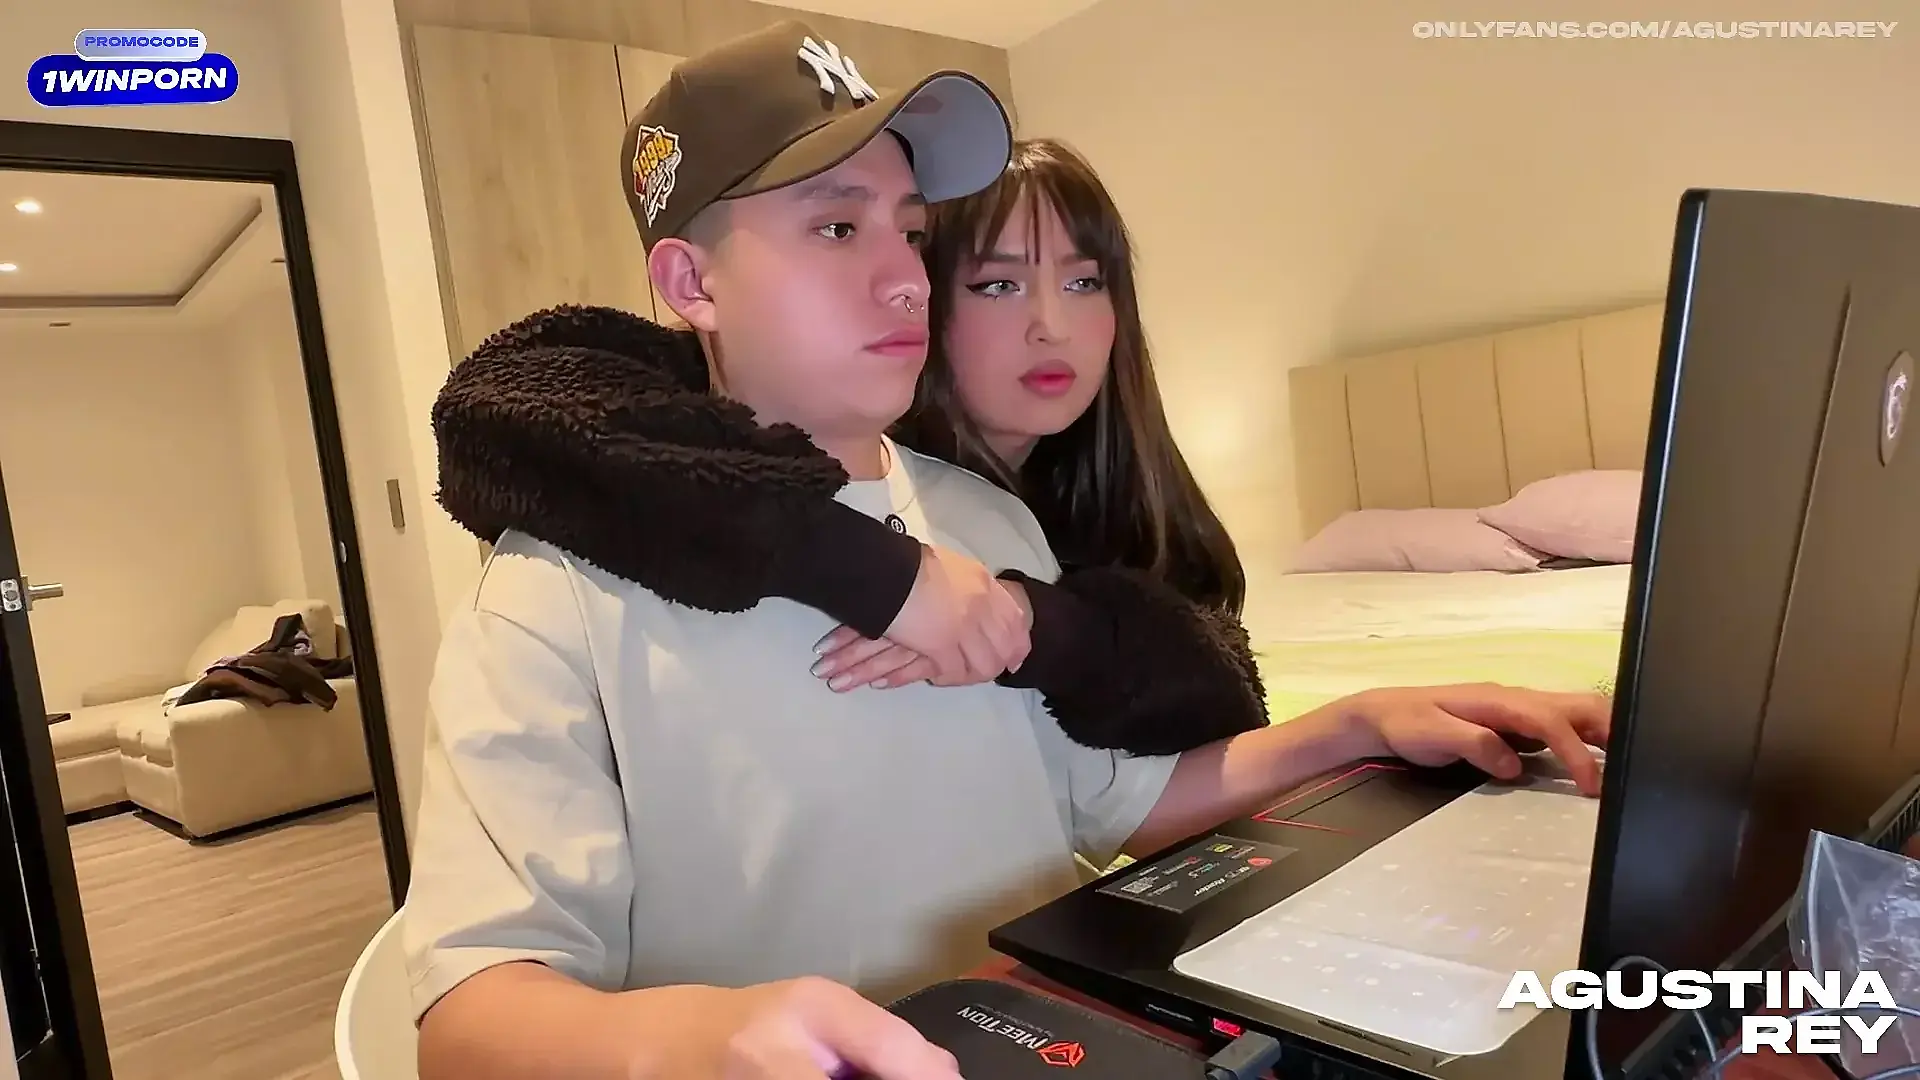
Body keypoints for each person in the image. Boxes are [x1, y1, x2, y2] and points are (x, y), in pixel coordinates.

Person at [410, 21, 1611, 1080]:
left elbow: (1118, 804)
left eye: (911, 230)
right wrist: (700, 1041)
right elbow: (468, 1021)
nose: (903, 278)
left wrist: (1358, 724)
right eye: (837, 226)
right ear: (691, 281)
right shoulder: (552, 597)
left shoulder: (985, 524)